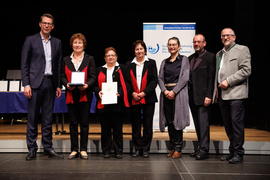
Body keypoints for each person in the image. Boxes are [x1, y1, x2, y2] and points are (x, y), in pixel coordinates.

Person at [21, 13, 63, 160]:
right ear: (40, 24)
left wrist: (58, 85)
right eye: (44, 23)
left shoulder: (57, 42)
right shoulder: (30, 40)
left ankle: (48, 147)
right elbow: (24, 64)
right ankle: (32, 149)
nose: (46, 26)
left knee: (47, 118)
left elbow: (58, 66)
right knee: (32, 117)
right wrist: (26, 84)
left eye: (49, 24)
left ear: (53, 26)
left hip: (50, 83)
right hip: (34, 84)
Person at [213, 28, 251, 164]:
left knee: (236, 125)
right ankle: (232, 151)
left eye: (228, 35)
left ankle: (239, 153)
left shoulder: (242, 49)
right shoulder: (219, 54)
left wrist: (228, 80)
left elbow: (246, 70)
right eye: (223, 35)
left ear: (234, 37)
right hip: (223, 95)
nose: (225, 37)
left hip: (236, 94)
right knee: (228, 125)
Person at [61, 33, 96, 160]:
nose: (77, 45)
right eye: (75, 42)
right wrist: (66, 84)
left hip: (85, 94)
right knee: (73, 123)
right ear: (72, 44)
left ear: (83, 44)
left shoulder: (89, 58)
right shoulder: (66, 59)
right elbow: (62, 76)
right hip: (71, 94)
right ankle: (74, 149)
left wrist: (87, 85)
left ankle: (83, 149)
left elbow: (93, 76)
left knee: (84, 123)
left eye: (80, 42)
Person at [94, 47, 130, 159]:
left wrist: (120, 92)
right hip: (104, 103)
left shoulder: (123, 68)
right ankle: (106, 151)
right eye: (108, 55)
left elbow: (128, 83)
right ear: (105, 58)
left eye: (113, 55)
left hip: (118, 103)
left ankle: (118, 151)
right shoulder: (99, 69)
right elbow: (94, 85)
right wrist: (98, 91)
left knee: (118, 128)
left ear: (116, 56)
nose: (110, 57)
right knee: (105, 129)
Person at [158, 37, 190, 159]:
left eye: (174, 44)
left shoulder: (183, 60)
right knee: (170, 122)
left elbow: (185, 77)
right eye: (170, 45)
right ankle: (172, 147)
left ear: (179, 46)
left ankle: (178, 148)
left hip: (178, 94)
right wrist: (165, 91)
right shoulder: (164, 62)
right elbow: (160, 78)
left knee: (177, 122)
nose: (172, 47)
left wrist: (174, 92)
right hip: (166, 94)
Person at [126, 40, 158, 158]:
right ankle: (137, 148)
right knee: (135, 124)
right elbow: (127, 82)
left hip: (148, 98)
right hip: (133, 97)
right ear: (134, 51)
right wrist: (133, 93)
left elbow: (154, 80)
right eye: (137, 49)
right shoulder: (129, 64)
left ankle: (145, 148)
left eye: (141, 49)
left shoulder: (152, 63)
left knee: (147, 124)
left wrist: (143, 93)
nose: (139, 51)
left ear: (145, 50)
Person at [188, 34, 215, 160]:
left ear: (204, 43)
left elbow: (211, 78)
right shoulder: (190, 58)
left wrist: (209, 95)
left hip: (204, 97)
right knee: (198, 125)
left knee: (204, 124)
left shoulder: (210, 57)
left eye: (199, 42)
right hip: (192, 97)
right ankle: (200, 147)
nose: (196, 44)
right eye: (194, 42)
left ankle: (204, 150)